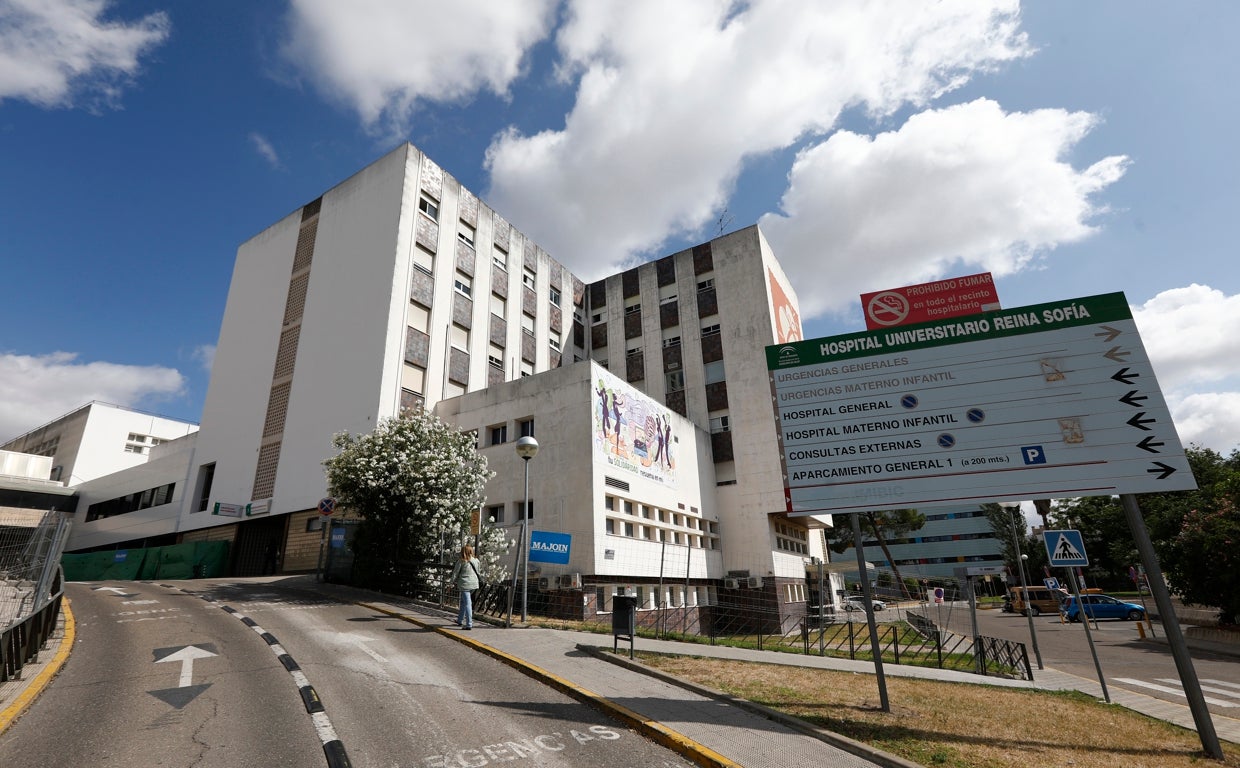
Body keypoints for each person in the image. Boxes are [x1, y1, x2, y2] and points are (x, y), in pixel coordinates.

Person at [449, 544, 482, 629]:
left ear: (463, 552)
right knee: (464, 603)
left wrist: (450, 583)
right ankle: (459, 620)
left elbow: (455, 573)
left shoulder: (461, 561)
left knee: (468, 604)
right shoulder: (476, 560)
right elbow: (478, 572)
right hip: (474, 584)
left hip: (465, 584)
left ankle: (469, 624)